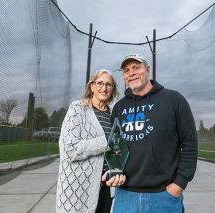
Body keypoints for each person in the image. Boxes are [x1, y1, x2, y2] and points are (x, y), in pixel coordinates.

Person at [103, 54, 198, 213]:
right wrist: (112, 171)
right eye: (126, 71)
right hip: (125, 197)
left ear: (147, 70)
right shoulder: (119, 108)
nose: (131, 73)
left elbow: (189, 143)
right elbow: (114, 147)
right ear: (124, 77)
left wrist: (179, 184)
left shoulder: (174, 100)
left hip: (163, 196)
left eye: (136, 68)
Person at [56, 69, 122, 213]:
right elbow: (69, 149)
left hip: (107, 185)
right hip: (79, 187)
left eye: (108, 85)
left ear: (112, 89)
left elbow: (116, 149)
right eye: (99, 83)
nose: (104, 88)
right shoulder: (77, 109)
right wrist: (105, 142)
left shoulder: (113, 114)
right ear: (91, 86)